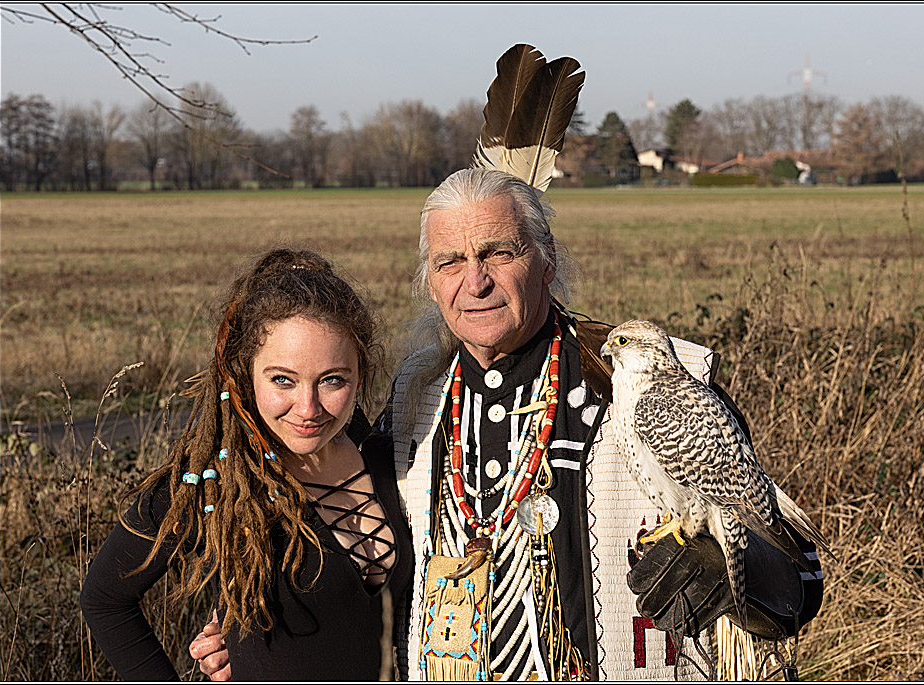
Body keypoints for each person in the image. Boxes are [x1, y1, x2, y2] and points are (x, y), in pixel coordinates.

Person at [193, 170, 825, 681]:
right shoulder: (416, 395)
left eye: (499, 251)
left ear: (547, 262)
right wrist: (251, 627)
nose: (476, 280)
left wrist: (735, 578)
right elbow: (336, 519)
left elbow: (798, 582)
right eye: (450, 262)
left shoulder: (648, 380)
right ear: (430, 286)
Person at [81, 248, 412, 681]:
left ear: (360, 373)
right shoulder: (218, 482)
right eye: (282, 380)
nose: (307, 408)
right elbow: (105, 599)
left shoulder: (389, 458)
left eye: (333, 379)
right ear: (244, 374)